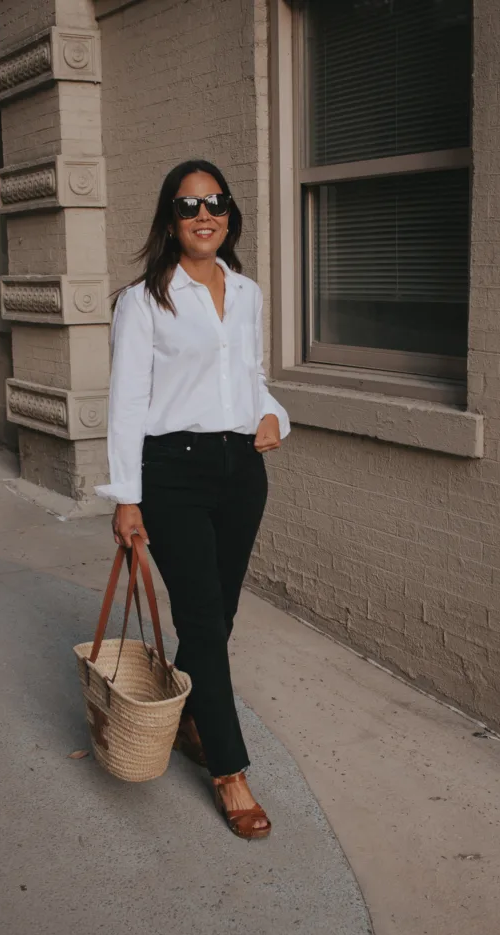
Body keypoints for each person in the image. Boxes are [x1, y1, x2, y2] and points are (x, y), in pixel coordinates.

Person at [96, 159, 290, 839]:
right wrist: (127, 499)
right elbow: (126, 404)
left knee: (221, 613)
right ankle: (229, 771)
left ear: (229, 214)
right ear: (170, 219)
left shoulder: (247, 292)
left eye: (215, 202)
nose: (203, 215)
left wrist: (274, 416)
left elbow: (253, 378)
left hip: (241, 470)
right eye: (188, 205)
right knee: (204, 622)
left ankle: (192, 718)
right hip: (171, 473)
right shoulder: (143, 300)